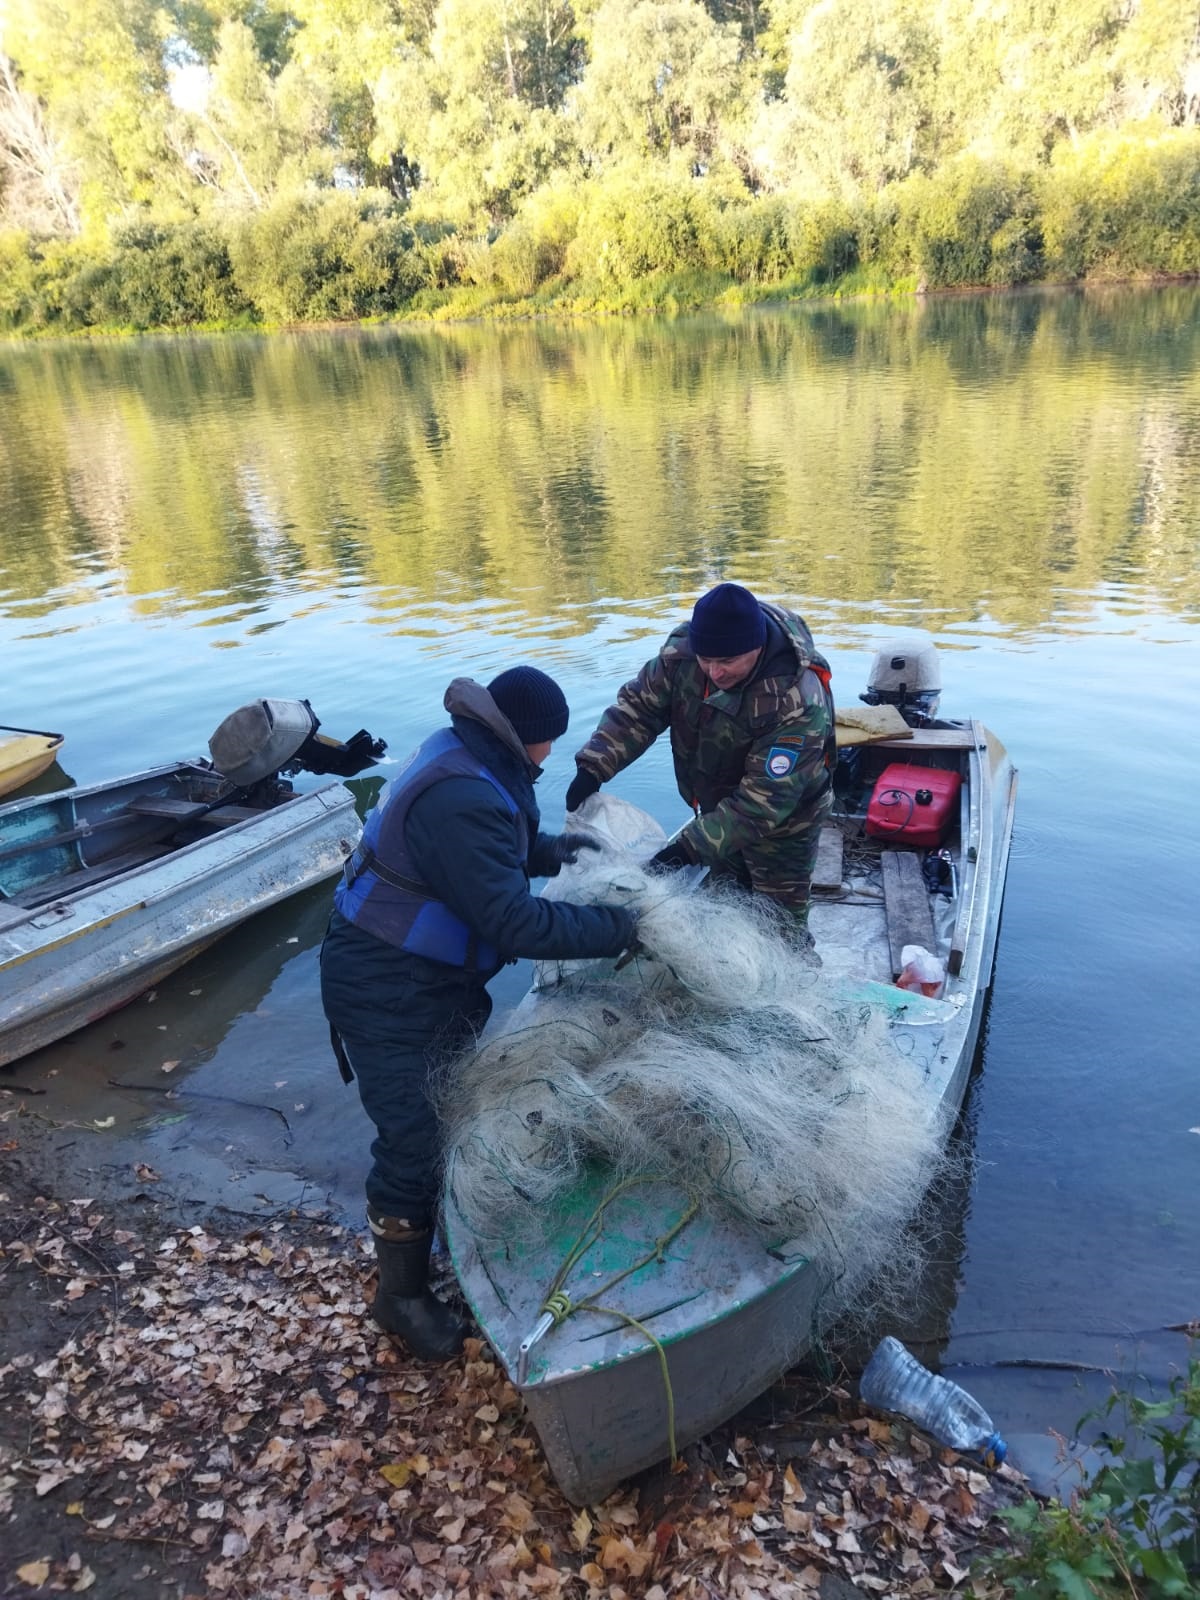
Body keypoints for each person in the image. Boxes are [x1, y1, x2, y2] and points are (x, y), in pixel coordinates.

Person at [322, 667, 636, 1361]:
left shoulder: (468, 755)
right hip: (384, 984)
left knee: (442, 1114)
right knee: (412, 1137)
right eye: (547, 743)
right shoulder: (462, 793)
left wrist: (552, 850)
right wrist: (618, 930)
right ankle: (399, 1300)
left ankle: (423, 1247)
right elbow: (513, 921)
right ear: (520, 737)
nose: (550, 755)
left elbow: (491, 854)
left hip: (423, 981)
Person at [566, 582, 836, 941]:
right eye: (707, 659)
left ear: (756, 647)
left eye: (727, 661)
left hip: (784, 825)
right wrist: (593, 766)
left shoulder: (797, 700)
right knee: (725, 907)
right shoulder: (683, 657)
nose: (714, 672)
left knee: (780, 925)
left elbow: (762, 805)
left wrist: (686, 849)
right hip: (714, 807)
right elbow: (638, 710)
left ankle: (799, 981)